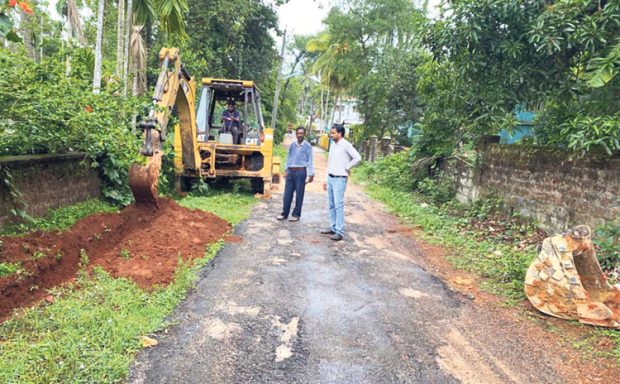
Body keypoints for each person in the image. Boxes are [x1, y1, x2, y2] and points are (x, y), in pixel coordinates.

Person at [321, 123, 361, 241]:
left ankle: (339, 231)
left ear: (340, 133)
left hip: (340, 179)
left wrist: (347, 167)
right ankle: (333, 227)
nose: (331, 135)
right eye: (331, 133)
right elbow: (330, 162)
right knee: (332, 205)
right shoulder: (333, 145)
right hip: (331, 177)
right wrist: (325, 179)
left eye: (333, 133)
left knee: (338, 205)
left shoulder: (346, 145)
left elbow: (358, 158)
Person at [277, 127, 314, 222]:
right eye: (298, 133)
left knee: (299, 195)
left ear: (304, 134)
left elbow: (310, 161)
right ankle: (284, 214)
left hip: (301, 172)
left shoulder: (308, 146)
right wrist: (286, 170)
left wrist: (310, 174)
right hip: (291, 172)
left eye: (302, 133)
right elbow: (289, 157)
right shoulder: (292, 145)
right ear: (296, 134)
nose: (300, 135)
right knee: (287, 194)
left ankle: (296, 215)